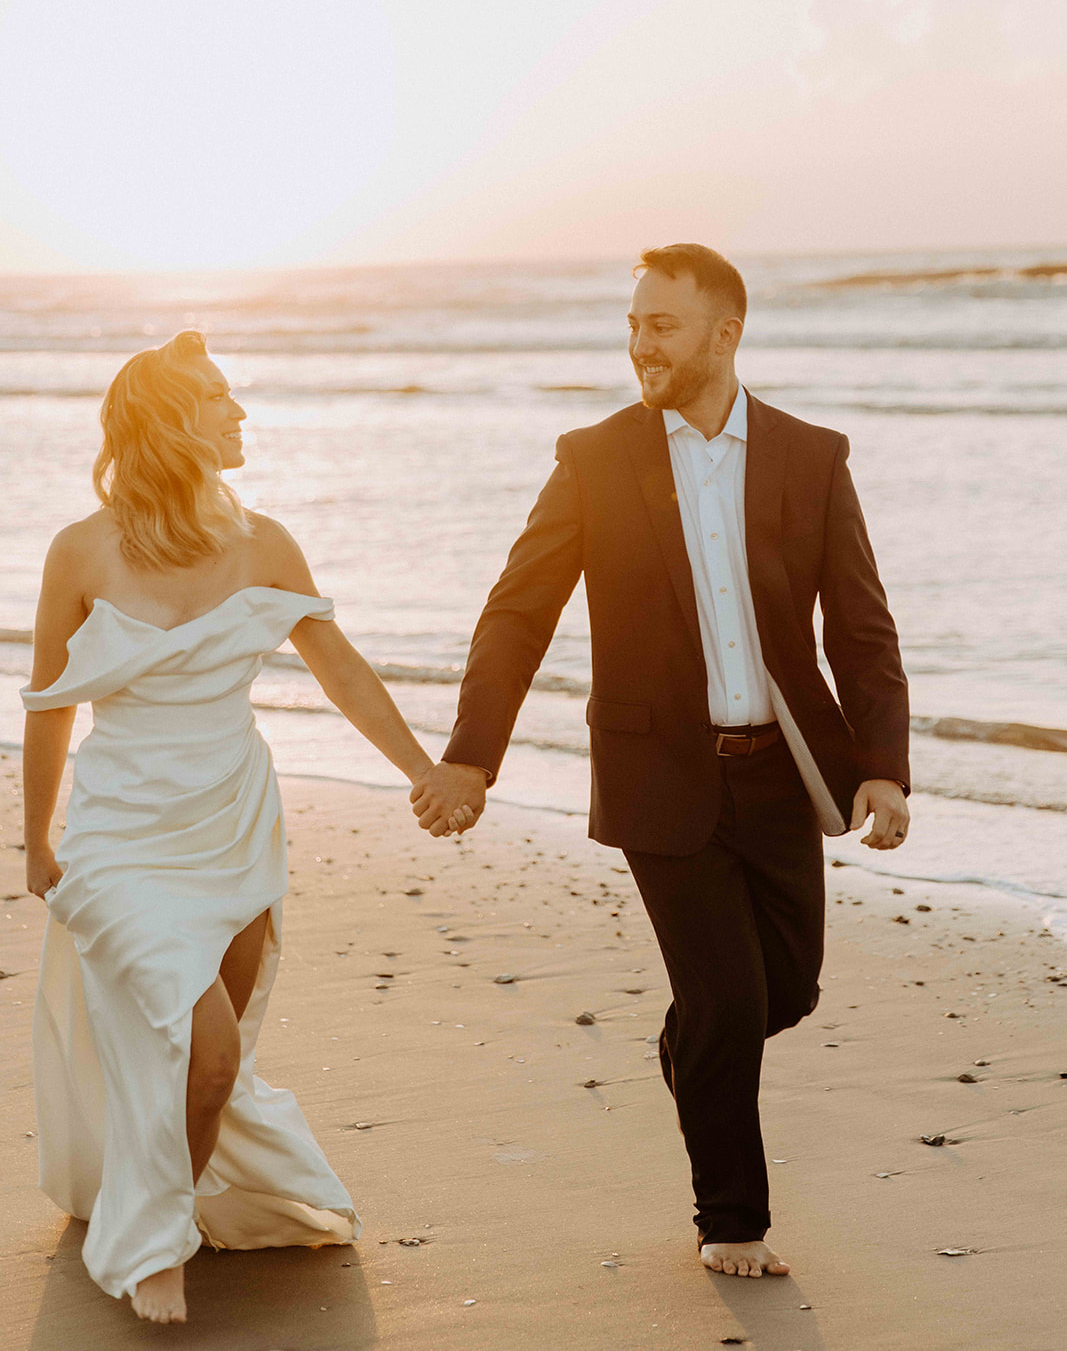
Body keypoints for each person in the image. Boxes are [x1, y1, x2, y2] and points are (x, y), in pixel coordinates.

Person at [411, 243, 911, 1279]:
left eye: (661, 325)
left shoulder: (811, 458)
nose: (639, 342)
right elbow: (518, 611)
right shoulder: (593, 459)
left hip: (781, 772)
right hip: (658, 773)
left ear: (724, 334)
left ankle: (689, 1054)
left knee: (788, 987)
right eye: (633, 322)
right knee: (726, 997)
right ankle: (730, 1220)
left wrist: (880, 763)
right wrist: (472, 759)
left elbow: (859, 626)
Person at [22, 331, 462, 1325]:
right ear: (173, 421)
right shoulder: (79, 550)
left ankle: (167, 1193)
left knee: (214, 1054)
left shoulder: (263, 543)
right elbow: (48, 703)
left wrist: (424, 771)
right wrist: (32, 838)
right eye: (221, 399)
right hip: (121, 836)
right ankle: (155, 1239)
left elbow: (339, 670)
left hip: (230, 822)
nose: (240, 414)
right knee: (203, 1049)